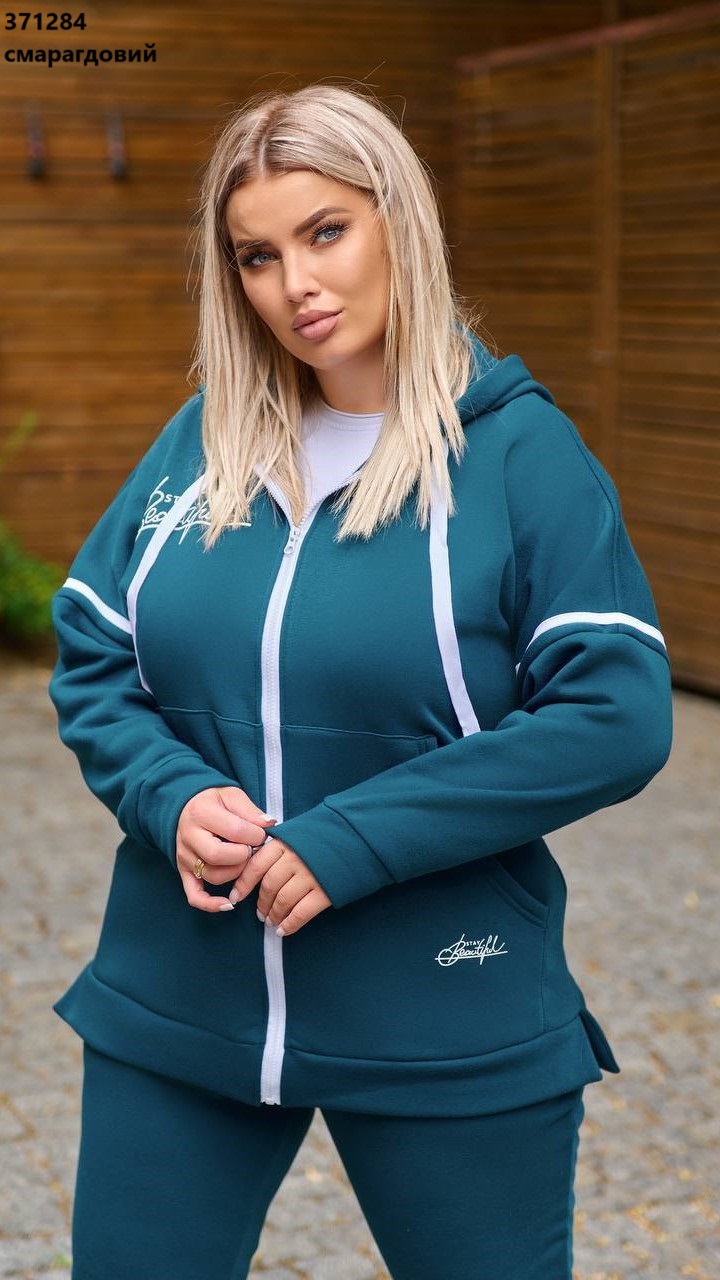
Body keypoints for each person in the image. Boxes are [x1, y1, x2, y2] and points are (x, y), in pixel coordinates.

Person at [48, 82, 673, 1280]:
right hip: (181, 996)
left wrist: (352, 839)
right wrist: (170, 792)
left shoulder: (519, 455)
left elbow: (616, 713)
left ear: (399, 219)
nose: (297, 284)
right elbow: (92, 651)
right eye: (258, 255)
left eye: (326, 231)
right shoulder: (203, 441)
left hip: (444, 1003)